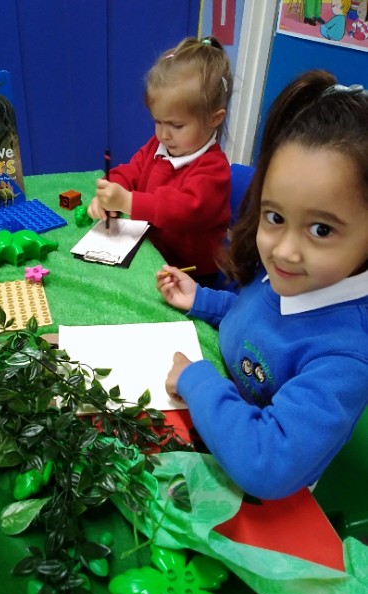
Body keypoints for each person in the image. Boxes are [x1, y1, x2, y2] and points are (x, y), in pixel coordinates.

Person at [156, 70, 368, 500]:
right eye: (275, 217)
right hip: (215, 427)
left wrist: (197, 381)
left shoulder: (346, 354)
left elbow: (267, 462)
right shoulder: (295, 278)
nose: (285, 251)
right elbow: (252, 316)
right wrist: (201, 299)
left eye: (322, 230)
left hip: (261, 496)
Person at [88, 36, 233, 287]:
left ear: (214, 119)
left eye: (176, 125)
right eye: (158, 121)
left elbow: (183, 209)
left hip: (192, 274)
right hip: (150, 254)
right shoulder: (159, 146)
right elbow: (131, 171)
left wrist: (128, 201)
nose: (164, 134)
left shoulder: (214, 169)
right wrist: (111, 190)